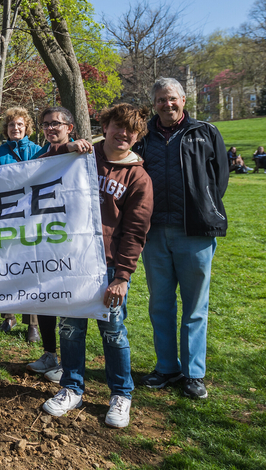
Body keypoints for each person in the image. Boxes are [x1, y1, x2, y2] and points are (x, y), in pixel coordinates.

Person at [41, 104, 153, 429]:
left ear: (137, 136)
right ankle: (72, 387)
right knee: (71, 328)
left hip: (107, 266)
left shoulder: (138, 177)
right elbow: (35, 173)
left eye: (131, 131)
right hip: (72, 259)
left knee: (113, 331)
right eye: (117, 126)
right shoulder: (81, 157)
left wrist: (122, 277)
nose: (123, 134)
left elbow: (135, 232)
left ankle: (121, 394)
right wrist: (64, 149)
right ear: (104, 125)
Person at [132, 78, 228, 401]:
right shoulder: (142, 137)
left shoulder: (205, 133)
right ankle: (166, 367)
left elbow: (220, 178)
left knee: (195, 306)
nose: (167, 104)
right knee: (160, 303)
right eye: (160, 100)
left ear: (183, 99)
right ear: (154, 103)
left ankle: (193, 374)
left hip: (195, 232)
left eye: (172, 99)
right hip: (154, 231)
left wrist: (204, 208)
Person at [25, 105, 79, 382]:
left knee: (64, 301)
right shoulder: (42, 156)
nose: (50, 128)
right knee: (43, 297)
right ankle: (49, 354)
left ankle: (69, 365)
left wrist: (71, 149)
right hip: (43, 238)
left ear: (69, 127)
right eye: (45, 124)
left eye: (56, 123)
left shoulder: (78, 154)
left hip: (69, 239)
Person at [0, 107, 44, 338]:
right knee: (7, 265)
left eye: (20, 125)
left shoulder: (36, 150)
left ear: (27, 128)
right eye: (12, 125)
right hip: (6, 214)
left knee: (31, 266)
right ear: (6, 128)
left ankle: (32, 322)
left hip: (32, 215)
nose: (16, 128)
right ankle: (8, 316)